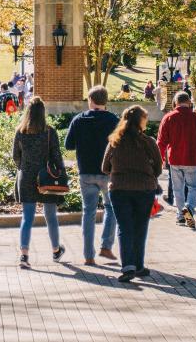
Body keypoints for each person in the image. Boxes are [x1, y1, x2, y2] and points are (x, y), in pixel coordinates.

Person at [102, 105, 162, 282]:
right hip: (144, 189)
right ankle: (139, 265)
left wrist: (118, 172)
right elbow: (158, 168)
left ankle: (128, 266)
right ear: (141, 121)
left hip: (119, 189)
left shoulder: (114, 142)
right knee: (140, 227)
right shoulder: (148, 142)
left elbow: (105, 167)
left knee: (124, 227)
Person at [65, 85, 119, 265]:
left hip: (86, 171)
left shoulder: (79, 120)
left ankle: (88, 255)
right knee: (111, 208)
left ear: (90, 100)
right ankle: (106, 245)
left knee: (88, 212)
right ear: (106, 101)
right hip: (108, 172)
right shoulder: (113, 120)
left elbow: (68, 145)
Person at [13, 96, 65, 268]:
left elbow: (16, 157)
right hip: (47, 178)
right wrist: (61, 174)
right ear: (43, 113)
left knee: (27, 217)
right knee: (50, 216)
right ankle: (56, 250)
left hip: (26, 177)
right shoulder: (50, 132)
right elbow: (56, 156)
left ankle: (24, 255)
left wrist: (25, 167)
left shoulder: (20, 131)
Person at [157, 91, 196, 228]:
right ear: (189, 102)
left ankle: (181, 215)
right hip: (192, 158)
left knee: (177, 189)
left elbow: (161, 141)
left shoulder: (168, 118)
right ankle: (189, 209)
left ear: (175, 102)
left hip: (175, 158)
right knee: (194, 187)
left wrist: (160, 158)